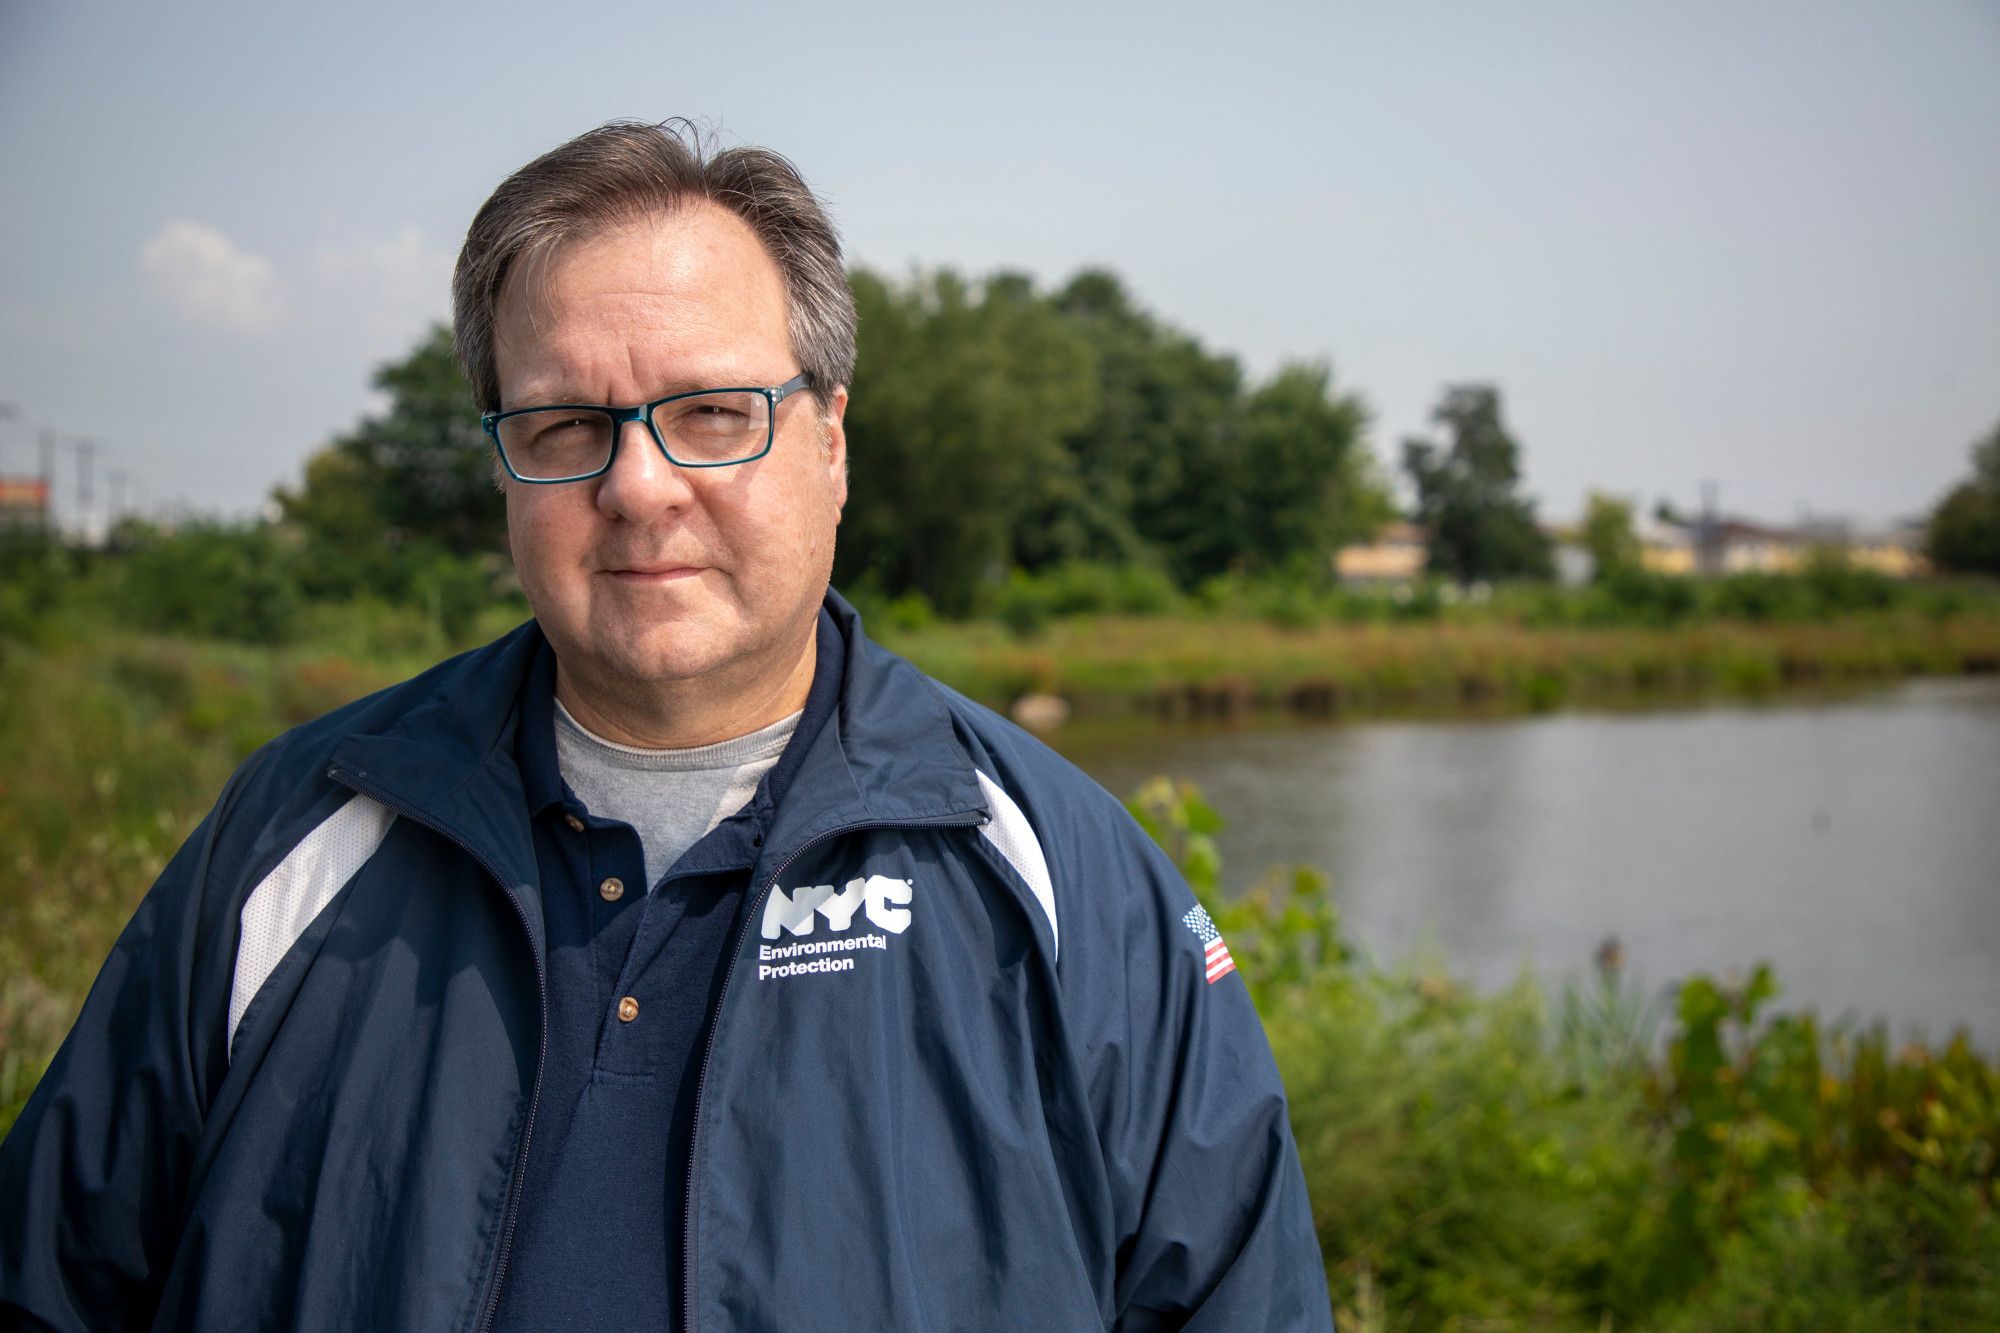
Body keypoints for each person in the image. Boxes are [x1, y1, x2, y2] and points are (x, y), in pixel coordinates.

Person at [0, 120, 1331, 1331]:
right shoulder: (298, 833)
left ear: (831, 444)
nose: (638, 486)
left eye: (711, 414)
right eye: (569, 422)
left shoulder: (1054, 873)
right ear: (504, 463)